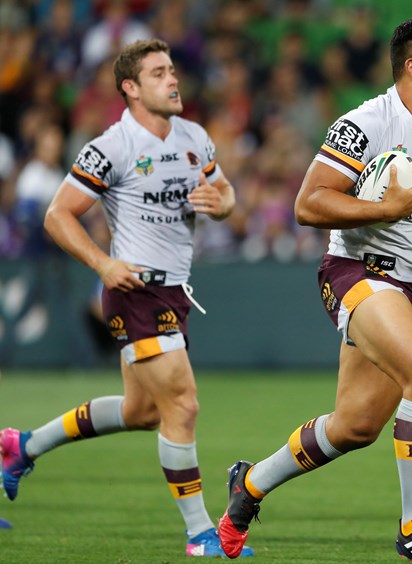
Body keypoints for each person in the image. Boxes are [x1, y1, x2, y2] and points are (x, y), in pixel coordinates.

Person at [217, 16, 412, 563]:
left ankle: (248, 485)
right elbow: (308, 203)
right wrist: (384, 209)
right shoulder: (365, 123)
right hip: (356, 272)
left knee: (356, 426)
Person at [0, 39, 253, 558]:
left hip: (174, 290)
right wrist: (103, 264)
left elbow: (226, 195)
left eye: (173, 70)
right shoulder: (111, 147)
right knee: (183, 403)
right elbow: (57, 215)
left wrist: (221, 203)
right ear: (131, 89)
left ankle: (21, 447)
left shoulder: (195, 137)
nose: (174, 79)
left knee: (143, 412)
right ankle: (201, 534)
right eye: (159, 73)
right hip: (135, 289)